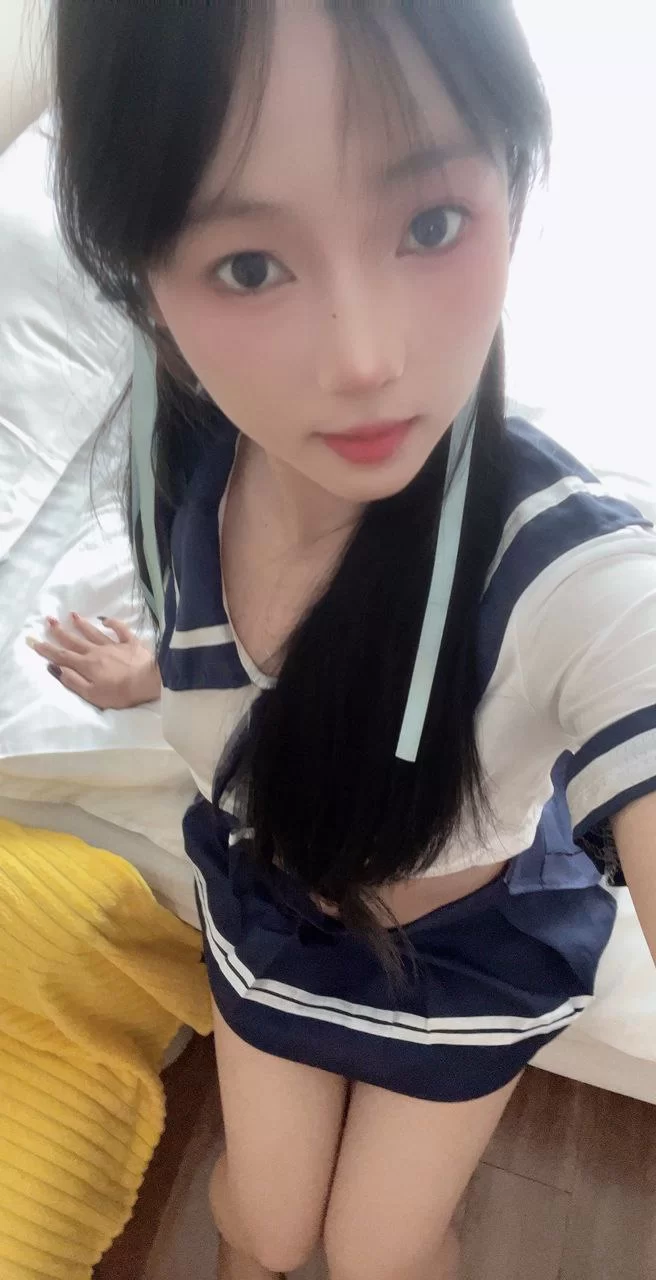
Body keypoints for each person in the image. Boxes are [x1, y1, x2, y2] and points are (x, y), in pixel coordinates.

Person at [41, 4, 656, 1278]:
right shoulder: (188, 463)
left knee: (380, 1254)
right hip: (267, 908)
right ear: (145, 282)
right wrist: (155, 669)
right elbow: (240, 654)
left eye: (430, 223)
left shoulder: (575, 571)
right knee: (262, 1227)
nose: (368, 361)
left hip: (466, 958)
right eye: (247, 265)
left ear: (510, 187)